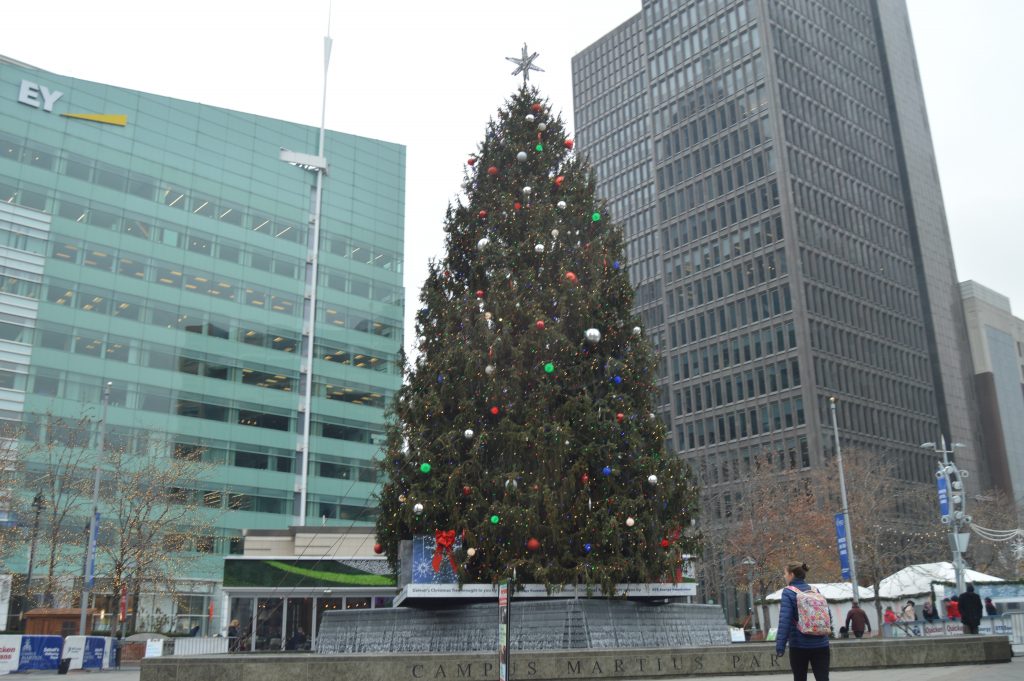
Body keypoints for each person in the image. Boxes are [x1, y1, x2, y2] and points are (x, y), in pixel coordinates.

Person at [775, 561, 830, 681]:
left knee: (800, 678)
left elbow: (785, 620)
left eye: (785, 573)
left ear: (792, 574)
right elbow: (827, 614)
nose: (784, 576)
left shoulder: (788, 592)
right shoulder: (815, 590)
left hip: (799, 645)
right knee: (823, 678)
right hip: (822, 644)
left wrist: (780, 647)